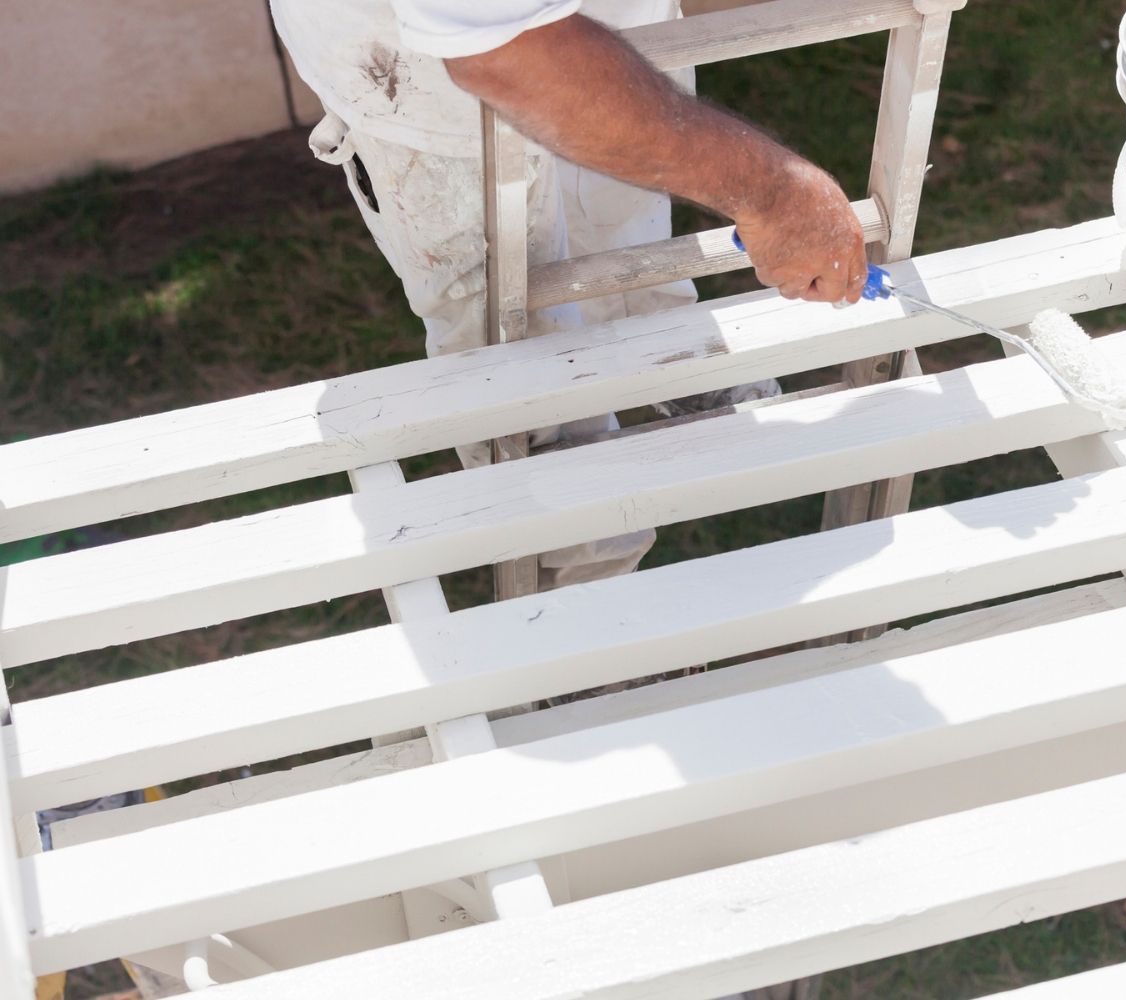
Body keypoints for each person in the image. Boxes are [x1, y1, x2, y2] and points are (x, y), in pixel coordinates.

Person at [268, 0, 868, 593]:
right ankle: (589, 609)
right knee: (526, 383)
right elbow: (497, 50)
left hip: (599, 36)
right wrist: (774, 191)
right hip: (434, 85)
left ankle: (663, 362)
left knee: (624, 233)